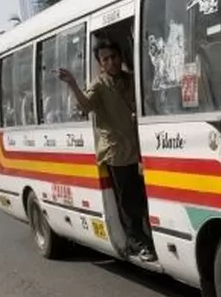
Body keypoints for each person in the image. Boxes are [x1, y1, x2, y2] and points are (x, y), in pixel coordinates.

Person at [57, 39, 156, 262]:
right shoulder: (98, 85)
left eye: (113, 57)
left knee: (145, 196)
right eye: (105, 59)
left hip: (141, 147)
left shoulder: (132, 80)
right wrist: (72, 84)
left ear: (121, 58)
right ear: (100, 64)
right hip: (117, 152)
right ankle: (137, 242)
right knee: (129, 199)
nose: (111, 62)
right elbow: (85, 106)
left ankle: (149, 236)